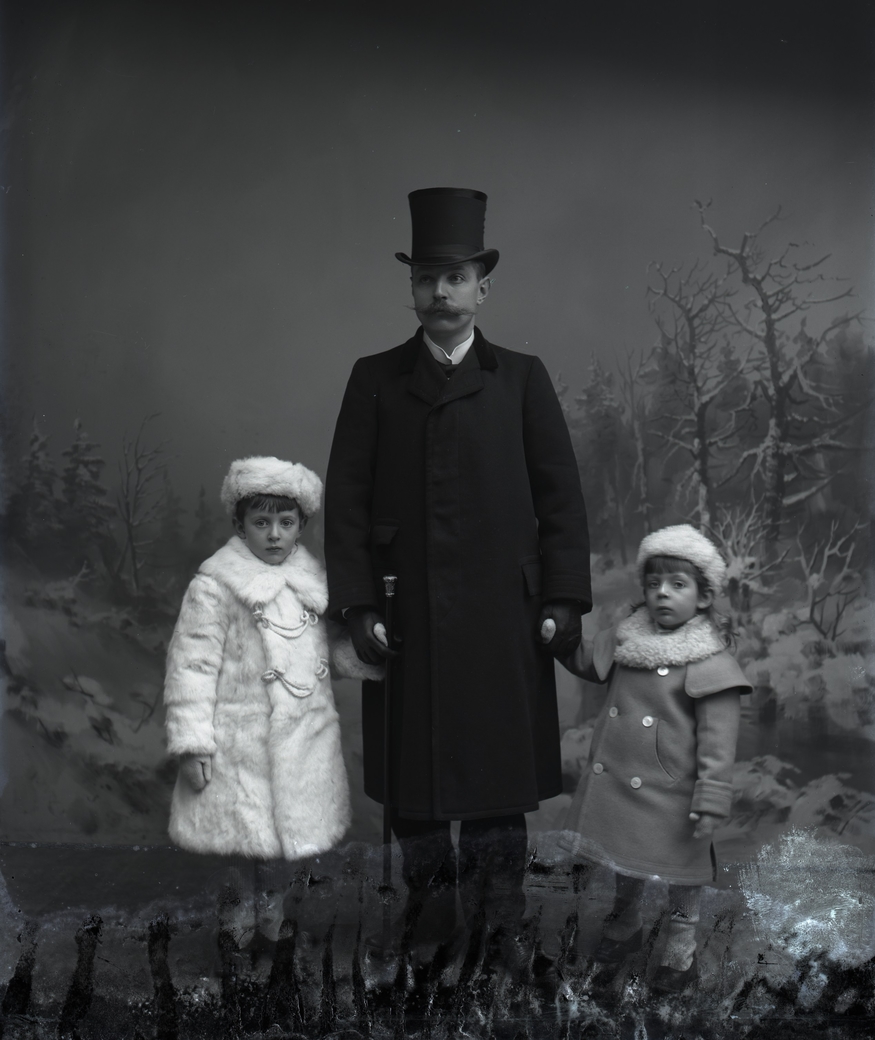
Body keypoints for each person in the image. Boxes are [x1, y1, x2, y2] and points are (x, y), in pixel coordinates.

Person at [324, 186, 592, 973]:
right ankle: (431, 908)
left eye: (455, 277)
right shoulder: (374, 378)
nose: (439, 292)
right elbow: (346, 501)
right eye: (425, 278)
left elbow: (560, 498)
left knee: (495, 780)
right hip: (403, 613)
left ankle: (499, 917)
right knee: (412, 779)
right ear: (410, 288)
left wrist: (562, 598)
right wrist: (358, 604)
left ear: (483, 288)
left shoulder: (521, 378)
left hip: (502, 616)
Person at [164, 456, 378, 943]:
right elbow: (191, 668)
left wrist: (371, 656)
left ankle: (276, 928)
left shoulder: (311, 587)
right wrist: (193, 743)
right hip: (240, 744)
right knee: (244, 847)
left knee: (283, 851)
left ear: (302, 526)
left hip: (302, 736)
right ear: (239, 526)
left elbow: (325, 653)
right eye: (261, 523)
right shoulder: (215, 587)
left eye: (286, 522)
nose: (275, 535)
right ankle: (237, 937)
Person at [560, 524, 752, 991]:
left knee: (684, 872)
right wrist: (557, 639)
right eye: (653, 583)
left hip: (674, 790)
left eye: (677, 584)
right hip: (623, 782)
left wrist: (712, 798)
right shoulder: (628, 639)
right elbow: (587, 660)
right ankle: (625, 924)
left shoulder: (710, 662)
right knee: (624, 857)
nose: (662, 593)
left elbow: (718, 742)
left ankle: (681, 948)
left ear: (704, 597)